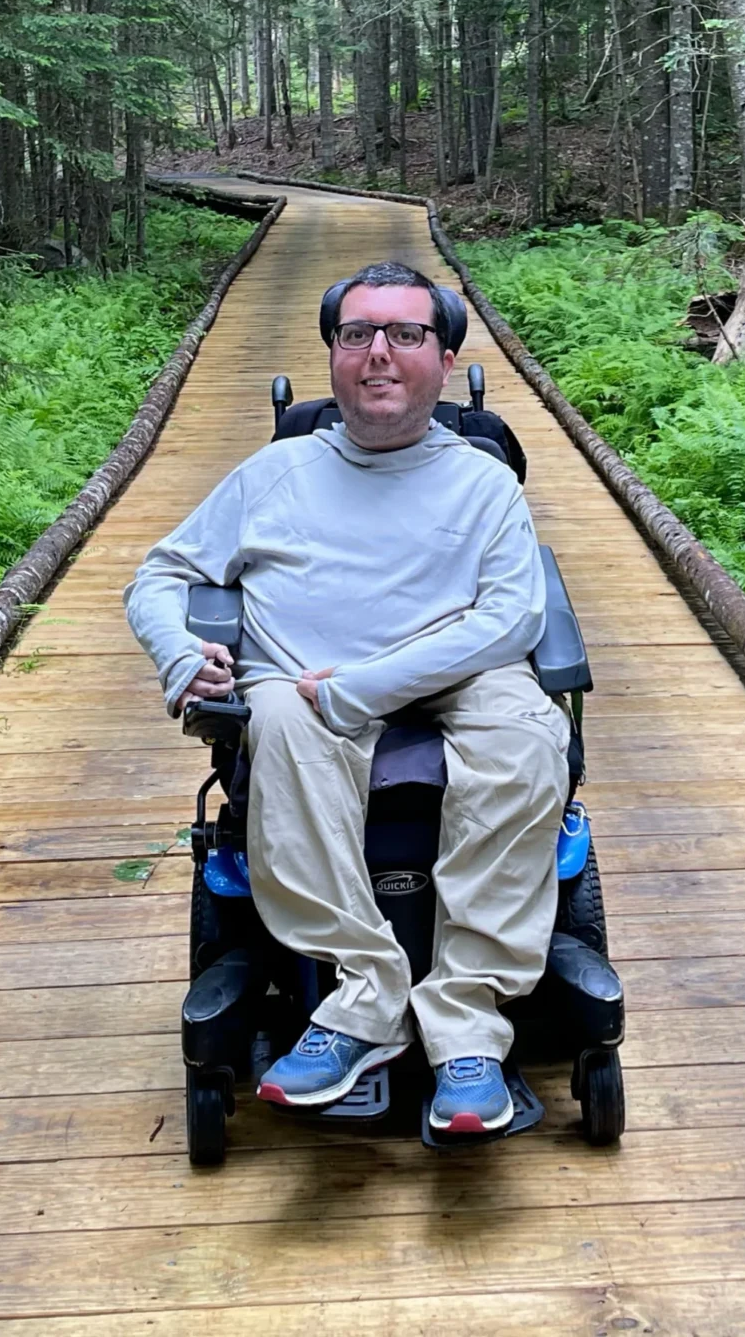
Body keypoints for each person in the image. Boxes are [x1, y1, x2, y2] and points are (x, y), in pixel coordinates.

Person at [124, 261, 571, 1134]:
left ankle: (469, 1025)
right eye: (358, 333)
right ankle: (362, 1002)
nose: (380, 353)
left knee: (528, 734)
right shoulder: (274, 472)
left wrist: (362, 689)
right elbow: (159, 573)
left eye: (407, 334)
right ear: (332, 355)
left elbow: (513, 617)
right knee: (281, 717)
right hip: (300, 680)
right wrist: (179, 652)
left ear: (444, 364)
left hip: (459, 677)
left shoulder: (483, 482)